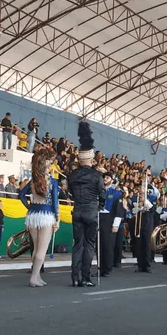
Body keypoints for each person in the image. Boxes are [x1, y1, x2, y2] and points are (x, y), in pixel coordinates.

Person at [66, 121, 103, 287]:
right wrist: (100, 206)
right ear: (90, 159)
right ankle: (86, 277)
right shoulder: (96, 176)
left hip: (77, 210)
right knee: (89, 245)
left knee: (77, 245)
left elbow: (72, 193)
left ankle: (75, 277)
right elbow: (102, 194)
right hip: (91, 212)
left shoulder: (72, 176)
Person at [18, 145, 60, 287]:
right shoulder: (53, 181)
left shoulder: (33, 180)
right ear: (47, 164)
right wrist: (57, 219)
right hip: (47, 215)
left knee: (35, 248)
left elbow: (21, 195)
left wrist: (30, 207)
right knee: (42, 250)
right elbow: (55, 203)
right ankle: (34, 277)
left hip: (33, 214)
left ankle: (37, 277)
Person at [98, 173, 124, 277]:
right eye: (104, 177)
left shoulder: (117, 193)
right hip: (99, 217)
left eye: (108, 177)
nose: (105, 179)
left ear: (112, 180)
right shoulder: (98, 191)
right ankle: (100, 268)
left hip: (110, 219)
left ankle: (107, 269)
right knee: (99, 245)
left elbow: (119, 210)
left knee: (108, 245)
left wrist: (116, 224)